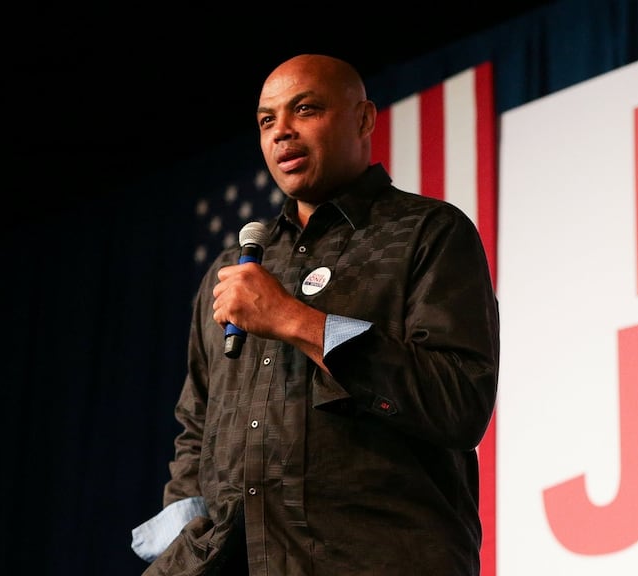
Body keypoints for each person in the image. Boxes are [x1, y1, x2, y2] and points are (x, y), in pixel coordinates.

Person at [132, 53, 500, 576]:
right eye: (266, 120)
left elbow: (458, 400)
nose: (282, 132)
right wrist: (178, 554)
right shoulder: (234, 270)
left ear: (364, 119)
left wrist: (294, 320)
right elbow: (196, 427)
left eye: (305, 110)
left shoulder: (428, 233)